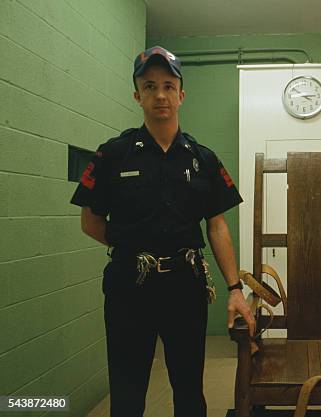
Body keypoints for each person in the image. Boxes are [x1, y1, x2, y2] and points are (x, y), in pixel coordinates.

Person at [70, 46, 255, 417]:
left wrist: (235, 289)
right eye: (150, 86)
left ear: (181, 94)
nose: (160, 95)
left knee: (188, 389)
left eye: (169, 86)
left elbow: (217, 224)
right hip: (128, 287)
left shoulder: (202, 158)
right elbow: (90, 221)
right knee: (127, 390)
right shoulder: (113, 155)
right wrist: (132, 247)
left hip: (184, 286)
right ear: (137, 94)